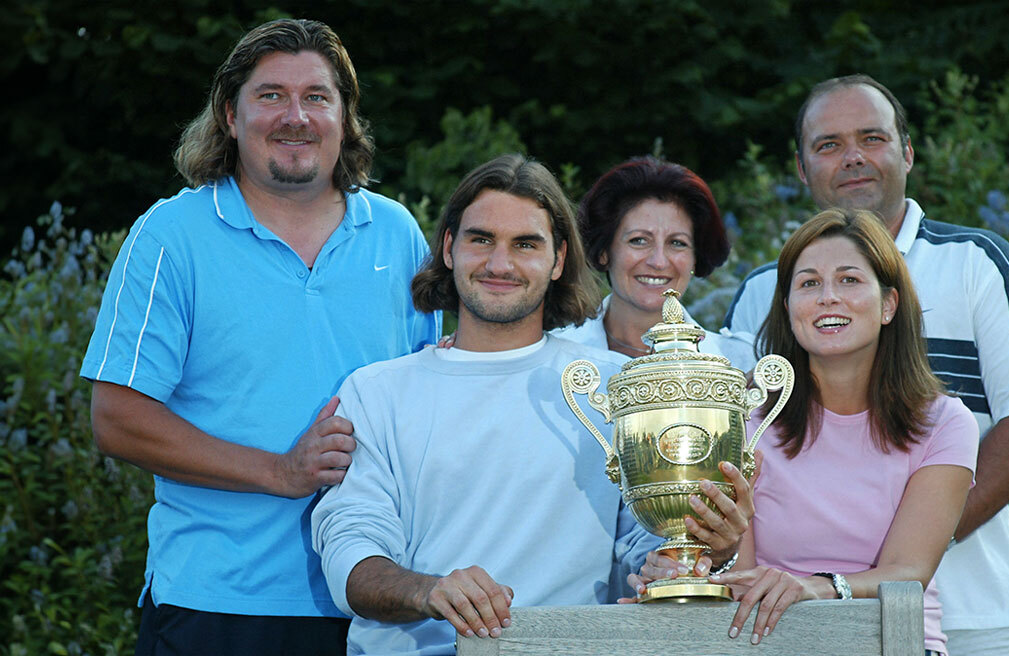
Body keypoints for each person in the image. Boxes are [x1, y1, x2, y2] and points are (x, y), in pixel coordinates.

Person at [80, 19, 439, 656]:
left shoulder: (397, 235)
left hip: (373, 602)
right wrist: (280, 470)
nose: (295, 116)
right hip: (215, 605)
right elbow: (117, 418)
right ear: (230, 113)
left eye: (317, 97)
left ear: (345, 116)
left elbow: (427, 413)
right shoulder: (171, 235)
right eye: (271, 95)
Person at [311, 154, 752, 655]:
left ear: (559, 259)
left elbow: (646, 548)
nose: (500, 264)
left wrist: (704, 552)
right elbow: (351, 554)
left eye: (525, 244)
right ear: (450, 248)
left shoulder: (616, 387)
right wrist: (429, 591)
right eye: (482, 239)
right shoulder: (375, 392)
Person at [723, 74, 1009, 655]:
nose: (853, 158)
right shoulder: (764, 291)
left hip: (972, 614)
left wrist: (909, 546)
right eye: (828, 144)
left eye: (872, 137)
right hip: (795, 626)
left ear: (907, 152)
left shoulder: (980, 262)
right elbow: (745, 447)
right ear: (801, 167)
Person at [709, 208, 978, 655]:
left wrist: (819, 587)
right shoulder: (746, 421)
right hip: (772, 644)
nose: (828, 297)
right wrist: (701, 566)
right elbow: (741, 573)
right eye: (809, 283)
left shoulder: (945, 423)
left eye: (849, 280)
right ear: (789, 307)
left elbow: (909, 569)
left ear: (889, 303)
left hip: (896, 642)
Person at [554, 156, 756, 371]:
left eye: (677, 243)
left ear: (696, 258)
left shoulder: (739, 362)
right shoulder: (555, 360)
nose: (658, 262)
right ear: (604, 251)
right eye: (639, 240)